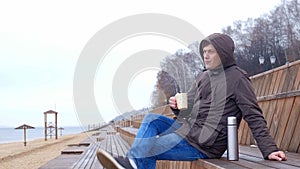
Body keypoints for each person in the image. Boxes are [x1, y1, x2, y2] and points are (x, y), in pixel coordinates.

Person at [99, 33, 287, 169]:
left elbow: (254, 115)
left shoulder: (237, 79)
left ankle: (131, 163)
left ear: (222, 53)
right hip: (186, 131)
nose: (205, 55)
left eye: (211, 51)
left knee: (148, 149)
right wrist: (177, 107)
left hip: (204, 144)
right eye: (204, 51)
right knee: (151, 120)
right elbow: (188, 111)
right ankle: (132, 163)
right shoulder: (203, 77)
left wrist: (269, 149)